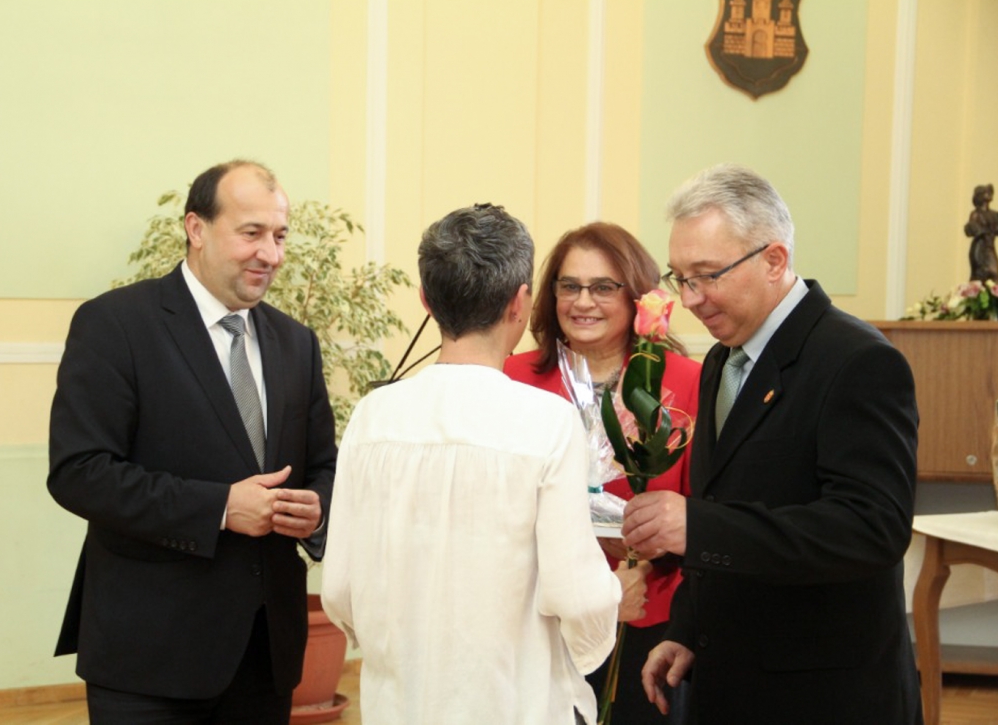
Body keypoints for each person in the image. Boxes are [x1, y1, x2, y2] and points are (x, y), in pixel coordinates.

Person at [320, 204, 646, 725]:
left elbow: (339, 588)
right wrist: (612, 601)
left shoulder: (372, 416)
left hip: (399, 703)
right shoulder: (547, 421)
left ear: (426, 300)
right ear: (521, 302)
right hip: (514, 703)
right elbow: (576, 594)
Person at [623, 164, 922, 724]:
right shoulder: (722, 359)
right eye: (680, 278)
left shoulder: (858, 361)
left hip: (824, 696)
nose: (690, 299)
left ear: (774, 260)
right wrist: (687, 628)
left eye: (707, 276)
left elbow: (872, 528)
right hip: (732, 681)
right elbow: (725, 500)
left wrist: (698, 527)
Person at [47, 160, 337, 724]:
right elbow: (80, 472)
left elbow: (323, 464)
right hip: (149, 656)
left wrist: (316, 508)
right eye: (251, 233)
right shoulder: (115, 324)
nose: (271, 254)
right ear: (196, 228)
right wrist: (221, 507)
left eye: (280, 236)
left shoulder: (296, 343)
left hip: (265, 654)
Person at [503, 222, 700, 724]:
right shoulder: (513, 378)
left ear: (637, 296)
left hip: (646, 614)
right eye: (569, 286)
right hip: (539, 618)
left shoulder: (687, 381)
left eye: (603, 287)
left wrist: (646, 563)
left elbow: (703, 510)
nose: (583, 301)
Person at [964, 183, 998, 283]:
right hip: (980, 247)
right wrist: (981, 230)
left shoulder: (994, 214)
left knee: (995, 275)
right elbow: (971, 229)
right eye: (986, 192)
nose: (989, 194)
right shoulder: (976, 214)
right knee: (979, 276)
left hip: (990, 248)